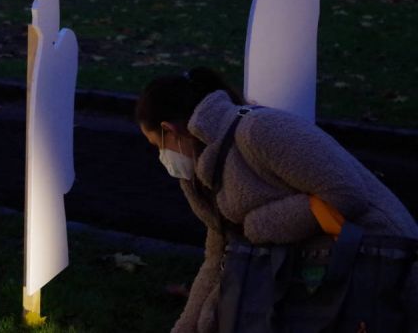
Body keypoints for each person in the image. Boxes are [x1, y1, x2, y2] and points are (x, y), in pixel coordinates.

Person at [135, 67, 418, 333]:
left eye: (157, 146)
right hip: (317, 274)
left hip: (379, 262)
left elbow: (346, 193)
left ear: (169, 129)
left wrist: (260, 226)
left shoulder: (259, 129)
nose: (163, 157)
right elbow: (217, 259)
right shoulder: (200, 174)